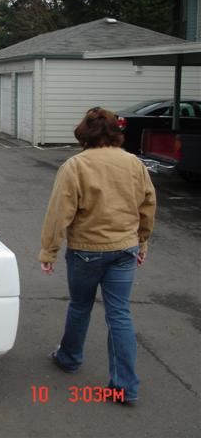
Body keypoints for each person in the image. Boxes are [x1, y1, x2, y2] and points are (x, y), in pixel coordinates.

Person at [38, 106, 156, 405]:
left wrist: (49, 250)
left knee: (80, 306)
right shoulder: (134, 164)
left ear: (84, 134)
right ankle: (124, 387)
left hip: (86, 251)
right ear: (116, 132)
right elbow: (148, 206)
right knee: (120, 314)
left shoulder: (76, 166)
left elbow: (59, 213)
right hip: (125, 248)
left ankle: (69, 358)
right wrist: (142, 243)